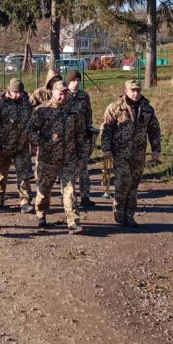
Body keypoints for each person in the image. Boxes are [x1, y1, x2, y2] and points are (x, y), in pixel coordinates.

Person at [100, 79, 161, 227]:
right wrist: (106, 149)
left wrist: (156, 150)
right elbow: (106, 129)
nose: (135, 93)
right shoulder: (115, 108)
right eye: (132, 90)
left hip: (138, 154)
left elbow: (154, 130)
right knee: (123, 182)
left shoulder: (147, 109)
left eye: (138, 90)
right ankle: (119, 211)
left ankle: (129, 215)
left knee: (133, 185)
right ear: (126, 91)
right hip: (120, 154)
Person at [26, 81, 84, 232]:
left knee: (70, 190)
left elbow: (80, 135)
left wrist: (81, 157)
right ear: (53, 92)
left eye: (65, 93)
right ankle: (41, 214)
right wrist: (44, 142)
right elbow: (30, 131)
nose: (63, 96)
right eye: (60, 93)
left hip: (69, 158)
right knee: (44, 189)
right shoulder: (42, 110)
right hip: (48, 158)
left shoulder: (74, 111)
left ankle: (73, 222)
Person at [0, 78, 34, 212]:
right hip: (3, 146)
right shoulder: (0, 105)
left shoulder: (27, 104)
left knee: (24, 174)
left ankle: (25, 201)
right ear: (10, 90)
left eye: (20, 92)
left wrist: (33, 142)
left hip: (22, 146)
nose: (18, 95)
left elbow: (32, 124)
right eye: (16, 92)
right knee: (1, 174)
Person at [64, 69, 95, 207]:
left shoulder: (84, 96)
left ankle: (85, 196)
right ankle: (67, 197)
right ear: (68, 81)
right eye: (73, 81)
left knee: (83, 167)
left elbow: (88, 113)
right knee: (68, 168)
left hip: (82, 137)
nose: (75, 83)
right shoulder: (63, 96)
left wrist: (89, 129)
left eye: (78, 81)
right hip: (67, 138)